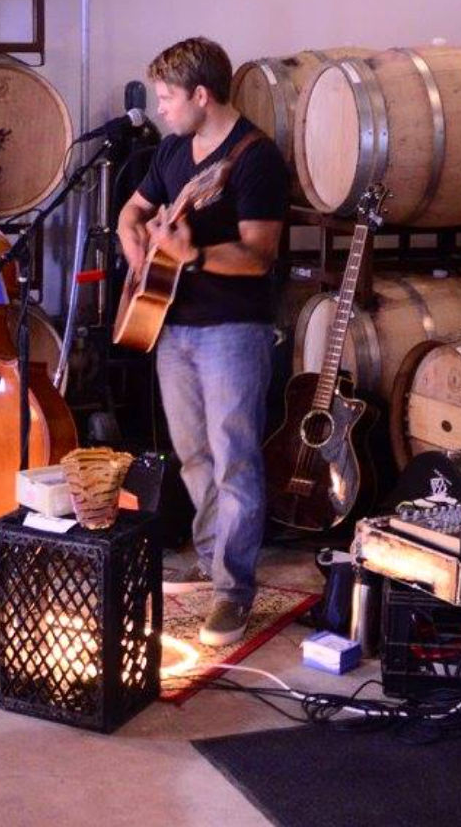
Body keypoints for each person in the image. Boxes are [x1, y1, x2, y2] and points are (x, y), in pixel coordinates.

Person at [117, 37, 288, 648]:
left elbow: (259, 255)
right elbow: (131, 214)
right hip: (170, 324)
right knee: (192, 455)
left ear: (201, 95)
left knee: (234, 455)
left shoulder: (255, 159)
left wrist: (195, 255)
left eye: (167, 98)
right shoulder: (171, 152)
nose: (161, 109)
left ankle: (234, 591)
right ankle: (214, 557)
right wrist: (136, 246)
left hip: (232, 332)